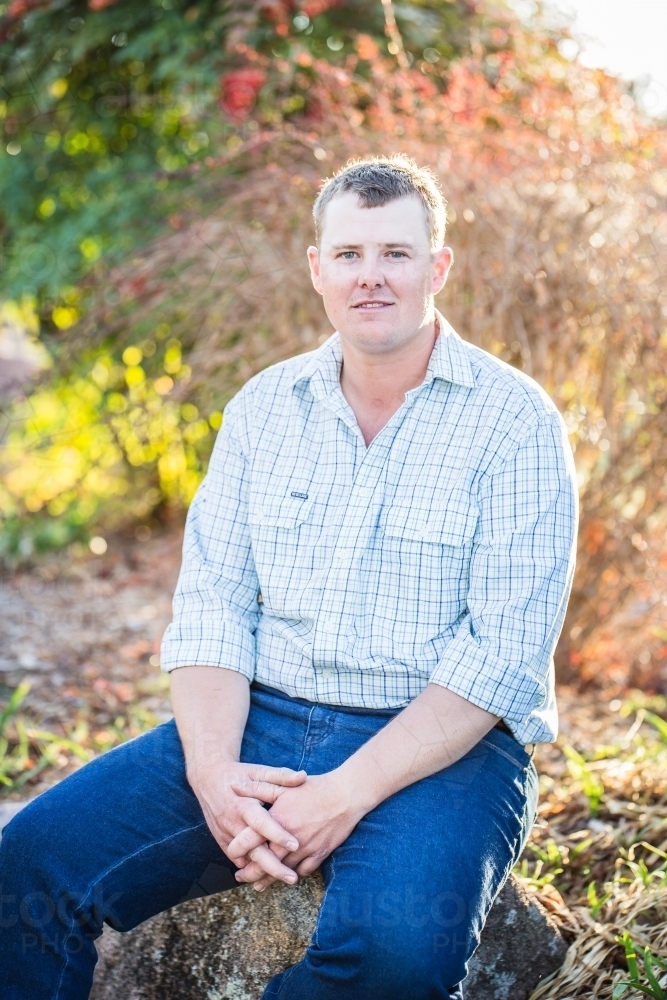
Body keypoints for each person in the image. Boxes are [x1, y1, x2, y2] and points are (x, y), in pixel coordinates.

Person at [0, 155, 578, 999]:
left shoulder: (514, 420)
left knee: (391, 958)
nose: (370, 277)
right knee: (29, 868)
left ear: (437, 267)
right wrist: (212, 776)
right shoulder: (264, 407)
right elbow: (212, 606)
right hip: (262, 720)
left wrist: (343, 795)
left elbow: (500, 656)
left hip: (442, 747)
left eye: (395, 254)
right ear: (317, 269)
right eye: (347, 254)